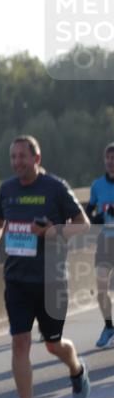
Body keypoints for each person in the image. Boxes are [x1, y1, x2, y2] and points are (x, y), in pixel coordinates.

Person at [0, 135, 92, 398]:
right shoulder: (7, 190)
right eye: (13, 157)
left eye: (22, 157)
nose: (17, 162)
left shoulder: (55, 188)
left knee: (54, 344)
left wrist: (51, 231)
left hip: (51, 280)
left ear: (36, 159)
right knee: (20, 341)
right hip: (16, 280)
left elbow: (83, 225)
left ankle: (76, 368)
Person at [85, 142, 114, 347]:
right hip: (105, 241)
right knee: (101, 285)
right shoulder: (97, 185)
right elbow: (88, 212)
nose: (111, 162)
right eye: (108, 158)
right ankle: (109, 326)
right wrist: (96, 219)